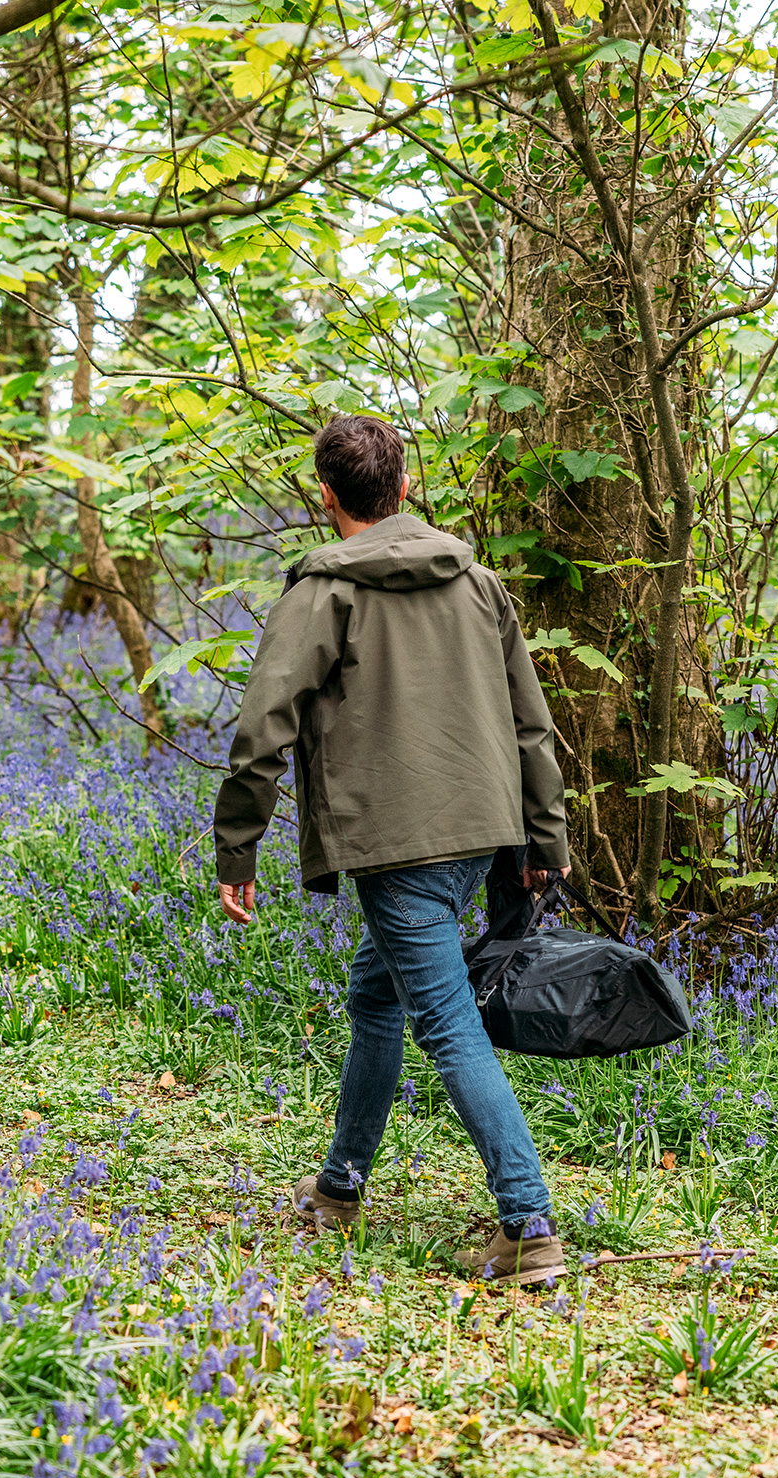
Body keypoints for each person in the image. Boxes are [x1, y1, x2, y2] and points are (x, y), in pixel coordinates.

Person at [211, 413, 570, 1284]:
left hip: (397, 842)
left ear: (326, 496)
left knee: (447, 1025)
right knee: (376, 995)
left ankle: (528, 1224)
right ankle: (338, 1189)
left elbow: (263, 725)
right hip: (483, 832)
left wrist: (237, 851)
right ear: (404, 489)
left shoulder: (320, 592)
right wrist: (545, 835)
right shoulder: (479, 583)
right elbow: (531, 724)